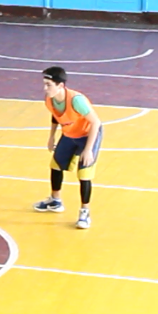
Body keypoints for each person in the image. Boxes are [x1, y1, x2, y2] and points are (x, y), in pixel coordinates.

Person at [33, 67, 102, 230]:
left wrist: (88, 149)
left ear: (61, 86)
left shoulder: (76, 101)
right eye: (44, 84)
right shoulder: (50, 99)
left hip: (87, 135)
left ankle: (85, 212)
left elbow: (96, 122)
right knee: (56, 165)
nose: (45, 88)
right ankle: (55, 201)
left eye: (48, 85)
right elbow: (55, 115)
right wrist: (51, 136)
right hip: (70, 134)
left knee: (84, 174)